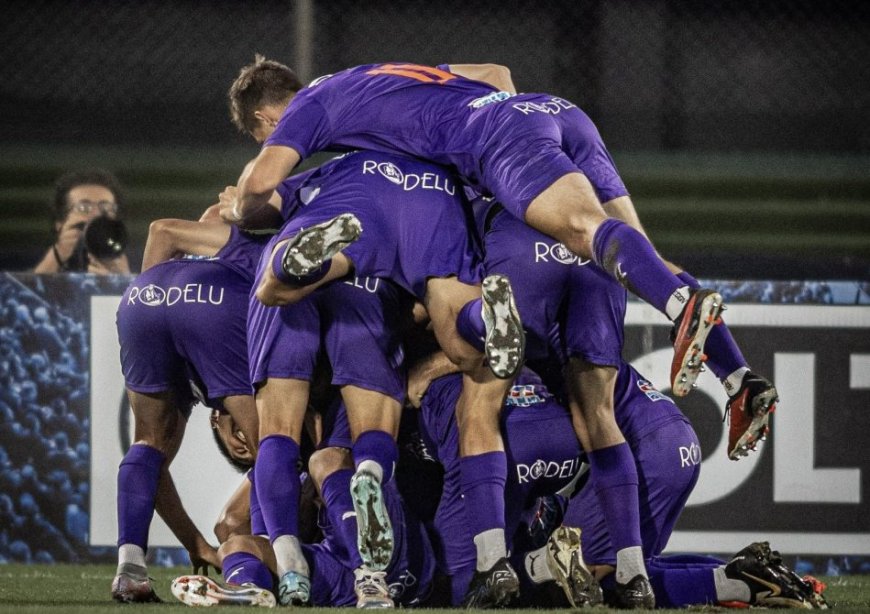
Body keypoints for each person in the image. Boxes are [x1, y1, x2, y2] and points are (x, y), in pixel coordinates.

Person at [242, 149, 527, 607]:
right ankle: (370, 530)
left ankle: (289, 561)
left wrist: (236, 206)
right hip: (369, 288)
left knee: (277, 429)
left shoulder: (339, 168)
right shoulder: (439, 187)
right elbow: (431, 298)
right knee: (373, 430)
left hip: (299, 267)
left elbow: (252, 210)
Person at [111, 206, 265, 602]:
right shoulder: (256, 243)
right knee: (274, 448)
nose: (238, 444)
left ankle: (130, 568)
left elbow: (168, 228)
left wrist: (195, 543)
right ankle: (285, 561)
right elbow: (169, 225)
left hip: (143, 298)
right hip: (213, 300)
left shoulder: (206, 228)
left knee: (148, 445)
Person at [33, 169, 131, 275]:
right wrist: (57, 255)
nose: (96, 214)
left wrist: (123, 281)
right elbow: (24, 289)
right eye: (84, 208)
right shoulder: (40, 259)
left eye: (106, 208)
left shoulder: (130, 260)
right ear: (60, 223)